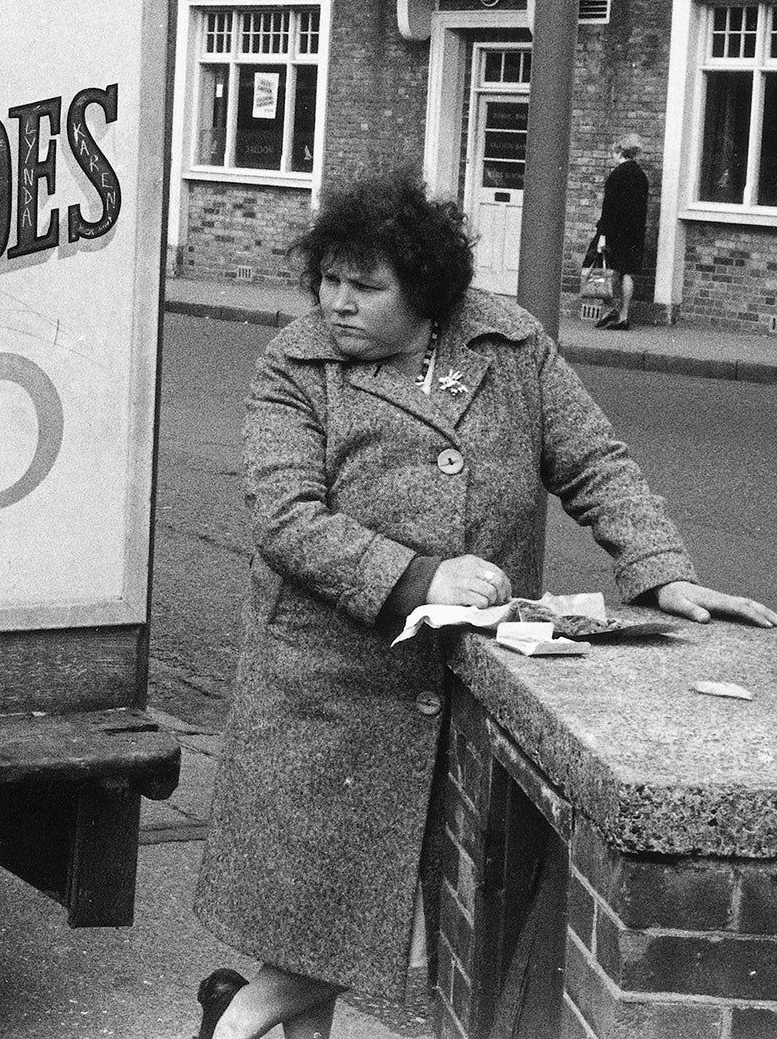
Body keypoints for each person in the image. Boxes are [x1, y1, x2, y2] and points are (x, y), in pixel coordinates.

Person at [190, 168, 774, 1039]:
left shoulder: (510, 345)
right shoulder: (298, 362)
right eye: (329, 279)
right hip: (325, 683)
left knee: (360, 913)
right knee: (323, 908)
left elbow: (592, 463)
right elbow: (287, 518)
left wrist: (660, 568)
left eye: (365, 286)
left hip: (458, 678)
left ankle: (236, 1017)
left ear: (424, 290)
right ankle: (237, 1020)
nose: (337, 303)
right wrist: (422, 576)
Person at [594, 133, 650, 330]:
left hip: (616, 232)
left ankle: (610, 311)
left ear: (619, 152)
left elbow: (609, 209)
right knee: (627, 273)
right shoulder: (641, 176)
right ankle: (623, 315)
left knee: (607, 271)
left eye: (613, 151)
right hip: (635, 232)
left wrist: (603, 236)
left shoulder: (616, 176)